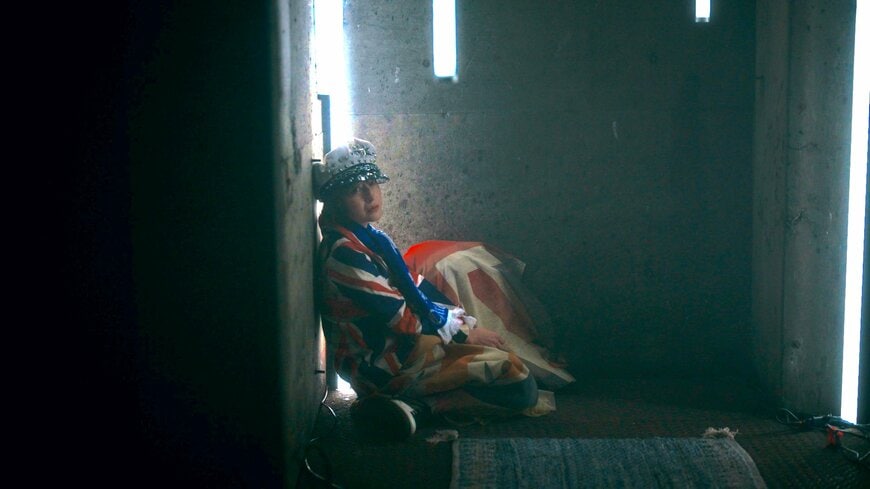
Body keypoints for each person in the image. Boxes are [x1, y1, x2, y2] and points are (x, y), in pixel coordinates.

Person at [314, 138, 540, 440]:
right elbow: (400, 317)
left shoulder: (370, 239)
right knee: (518, 383)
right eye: (355, 190)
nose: (370, 195)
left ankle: (405, 407)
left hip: (405, 348)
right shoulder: (344, 254)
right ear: (335, 201)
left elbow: (416, 287)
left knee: (501, 355)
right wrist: (463, 333)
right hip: (380, 364)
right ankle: (417, 407)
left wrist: (461, 321)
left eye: (372, 183)